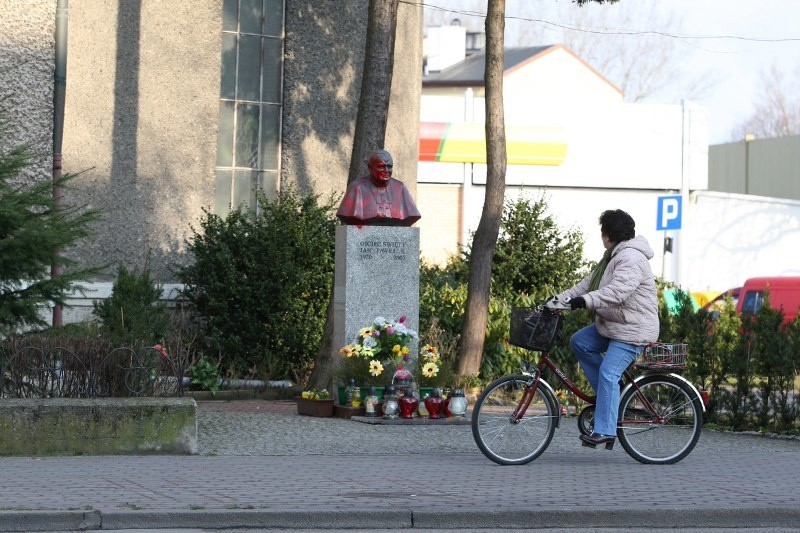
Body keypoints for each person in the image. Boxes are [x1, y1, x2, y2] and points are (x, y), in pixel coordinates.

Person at [550, 209, 659, 450]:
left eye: (602, 232)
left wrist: (586, 301)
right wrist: (557, 300)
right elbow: (586, 285)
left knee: (609, 373)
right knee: (580, 341)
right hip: (615, 325)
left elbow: (617, 292)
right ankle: (609, 397)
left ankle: (605, 430)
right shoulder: (611, 257)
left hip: (633, 329)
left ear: (608, 234)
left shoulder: (630, 258)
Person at [336, 150, 421, 226]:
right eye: (381, 167)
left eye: (389, 166)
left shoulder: (400, 187)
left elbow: (411, 215)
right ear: (370, 168)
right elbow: (347, 214)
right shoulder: (357, 187)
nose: (386, 170)